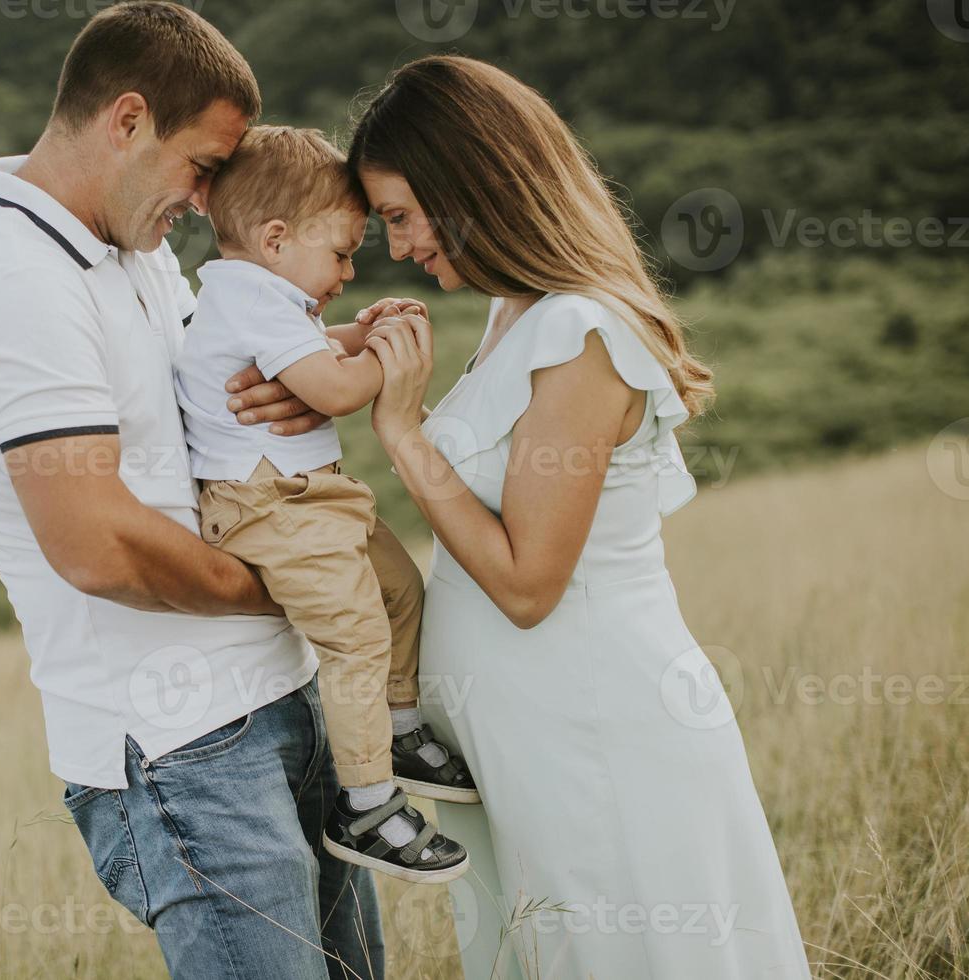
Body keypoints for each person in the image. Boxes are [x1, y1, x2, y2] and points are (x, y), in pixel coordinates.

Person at [0, 4, 383, 977]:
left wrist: (315, 371)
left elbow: (207, 409)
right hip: (183, 740)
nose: (211, 196)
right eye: (203, 167)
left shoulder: (135, 249)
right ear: (126, 120)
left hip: (282, 693)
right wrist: (291, 584)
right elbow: (100, 543)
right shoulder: (16, 281)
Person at [338, 54, 815, 978]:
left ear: (467, 184)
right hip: (530, 743)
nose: (395, 247)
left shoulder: (582, 333)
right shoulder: (513, 317)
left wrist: (404, 433)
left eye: (400, 215)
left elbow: (526, 585)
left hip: (601, 737)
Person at [174, 124, 476, 885]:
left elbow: (314, 349)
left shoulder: (267, 296)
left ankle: (398, 727)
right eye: (341, 252)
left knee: (401, 592)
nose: (348, 271)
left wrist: (356, 331)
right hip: (269, 505)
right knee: (354, 637)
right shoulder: (254, 301)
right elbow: (336, 389)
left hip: (315, 499)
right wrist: (390, 358)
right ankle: (367, 803)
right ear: (277, 238)